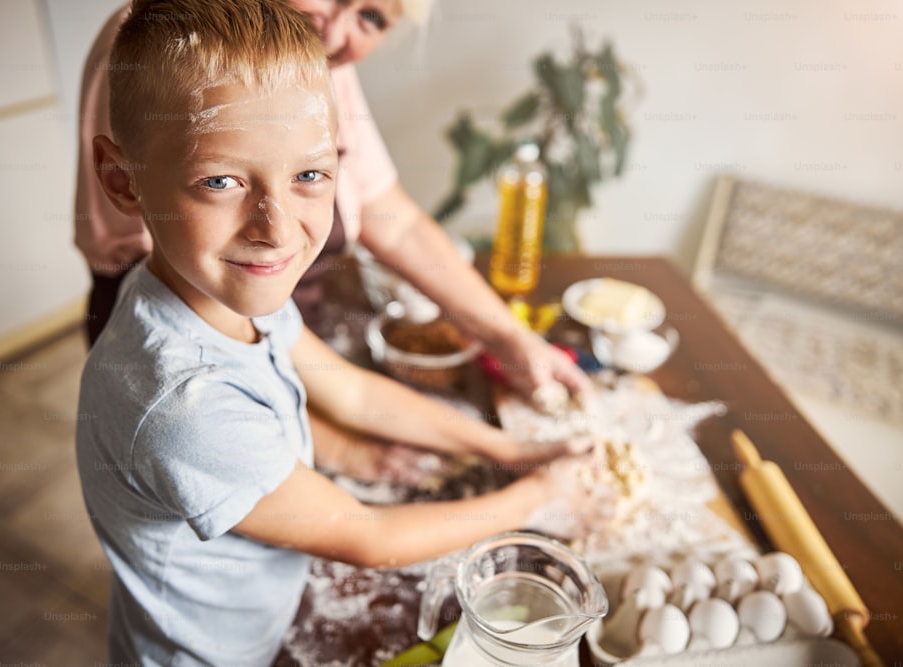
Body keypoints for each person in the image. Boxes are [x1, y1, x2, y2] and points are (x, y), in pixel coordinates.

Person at [76, 0, 608, 663]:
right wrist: (539, 499)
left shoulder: (223, 292)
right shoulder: (182, 404)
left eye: (308, 175)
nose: (275, 226)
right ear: (121, 180)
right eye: (219, 180)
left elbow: (351, 392)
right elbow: (365, 534)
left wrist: (507, 453)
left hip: (260, 617)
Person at [74, 0, 592, 408]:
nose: (338, 34)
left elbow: (390, 214)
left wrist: (507, 336)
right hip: (208, 339)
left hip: (283, 329)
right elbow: (199, 298)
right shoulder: (159, 44)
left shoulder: (315, 58)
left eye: (371, 17)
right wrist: (344, 443)